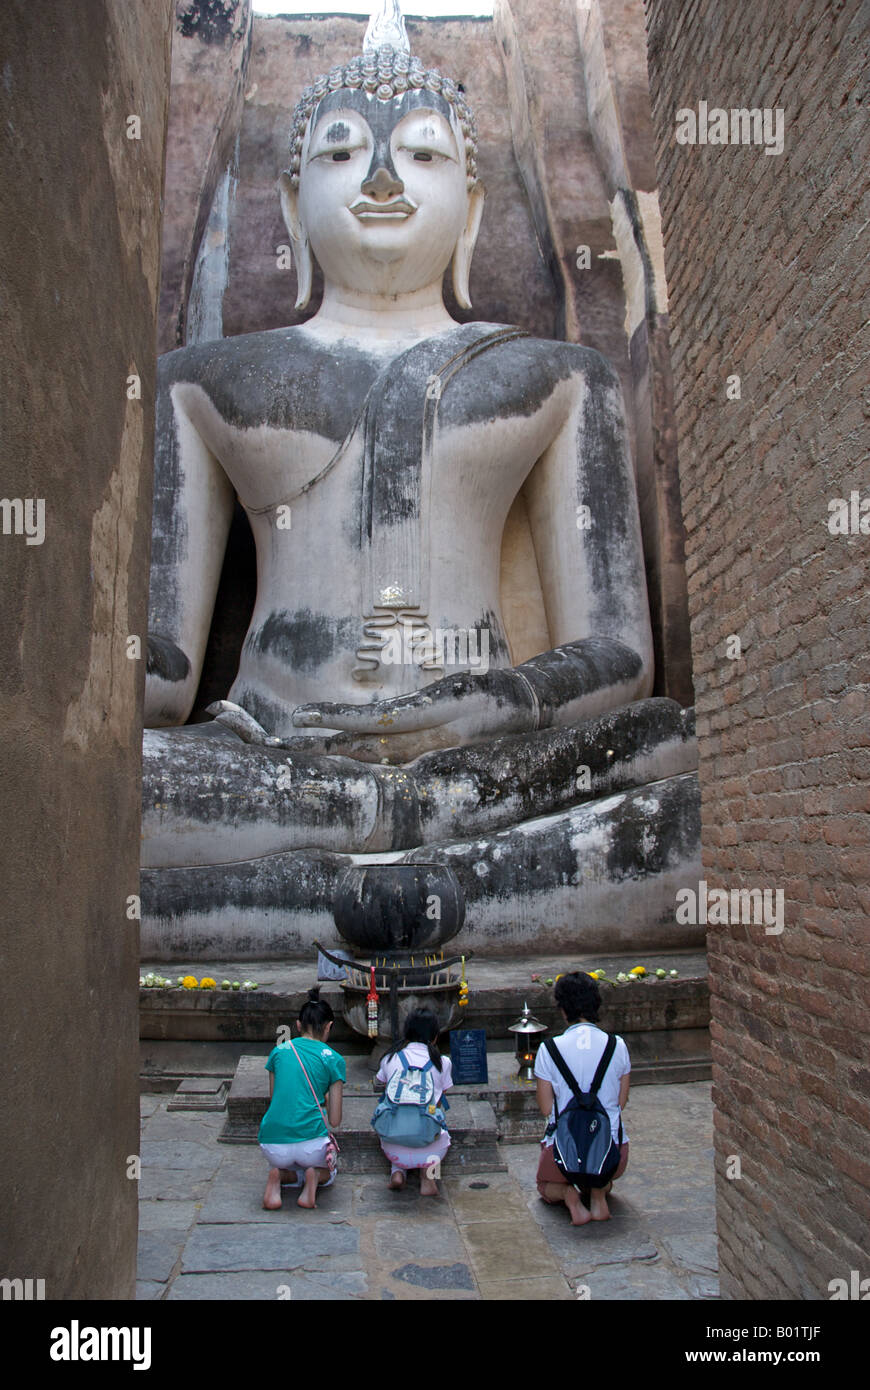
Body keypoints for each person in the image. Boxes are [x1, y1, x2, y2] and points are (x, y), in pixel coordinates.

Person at [534, 972, 630, 1226]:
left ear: (563, 1009)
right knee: (602, 1177)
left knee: (544, 1186)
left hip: (564, 1155)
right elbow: (621, 1102)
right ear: (595, 1004)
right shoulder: (617, 1045)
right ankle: (598, 1195)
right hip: (612, 1153)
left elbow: (545, 1107)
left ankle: (569, 1195)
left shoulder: (549, 1049)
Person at [259, 987, 345, 1210]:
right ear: (329, 1027)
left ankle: (278, 1176)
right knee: (330, 1170)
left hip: (273, 1144)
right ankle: (313, 1178)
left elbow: (275, 1098)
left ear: (298, 1026)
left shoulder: (278, 1051)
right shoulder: (334, 1059)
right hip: (311, 1144)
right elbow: (335, 1120)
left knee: (287, 1161)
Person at [375, 1008, 453, 1196]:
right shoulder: (443, 1062)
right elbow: (439, 1102)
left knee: (394, 1117)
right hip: (432, 1150)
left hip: (394, 1149)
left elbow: (382, 1088)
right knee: (438, 1125)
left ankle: (397, 1171)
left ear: (407, 1032)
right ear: (435, 1036)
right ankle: (428, 1177)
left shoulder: (389, 1058)